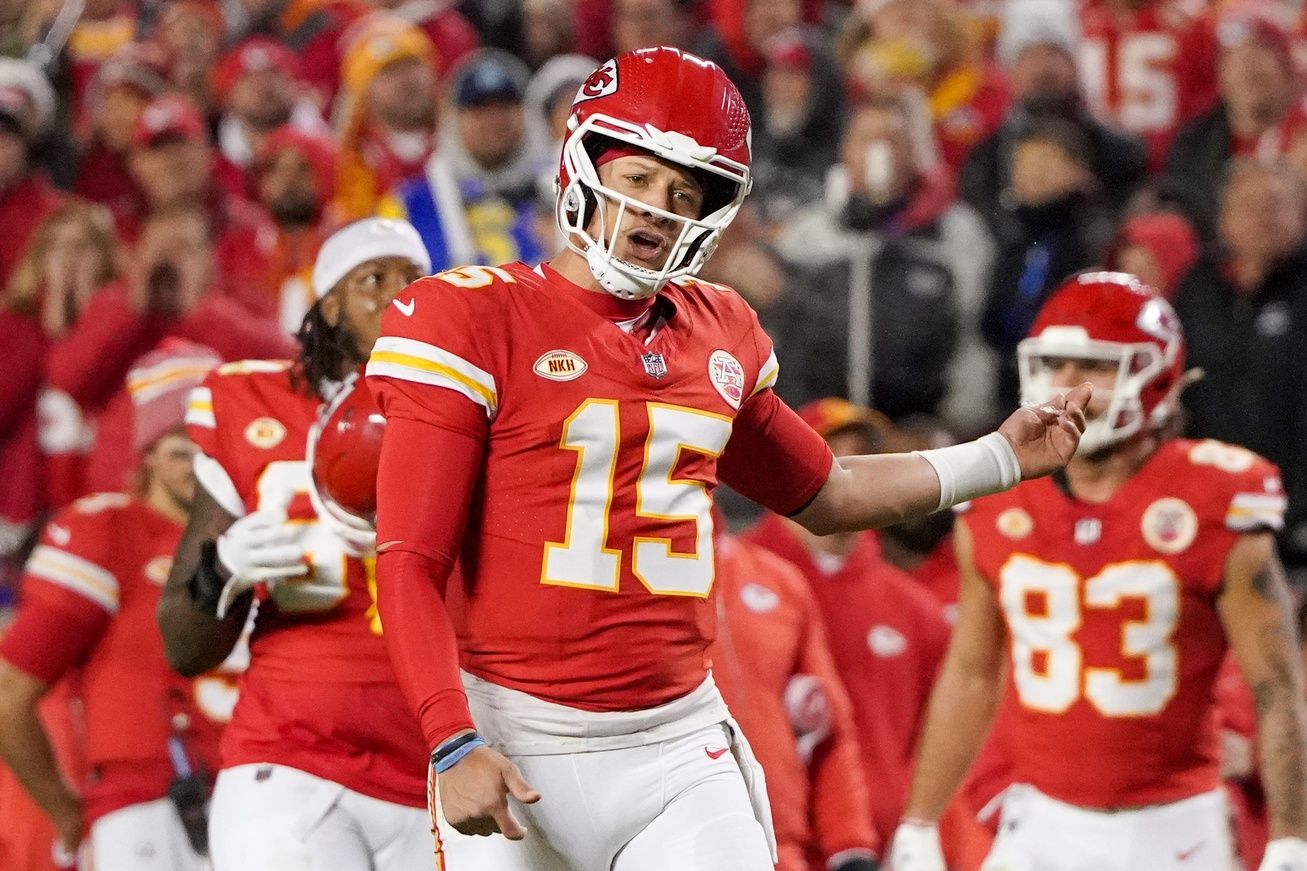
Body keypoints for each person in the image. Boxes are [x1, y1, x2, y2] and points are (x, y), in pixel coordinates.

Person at [360, 47, 1089, 871]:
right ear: (583, 164)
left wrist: (997, 455)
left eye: (682, 194)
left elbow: (829, 490)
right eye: (637, 178)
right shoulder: (470, 318)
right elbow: (410, 558)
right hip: (511, 731)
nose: (655, 209)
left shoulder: (717, 330)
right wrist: (451, 738)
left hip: (675, 743)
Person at [888, 272, 1307, 871]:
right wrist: (920, 819)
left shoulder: (1216, 498)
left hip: (1175, 824)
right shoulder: (998, 499)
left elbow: (1277, 686)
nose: (1067, 387)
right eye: (1055, 364)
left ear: (1157, 377)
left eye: (1095, 368)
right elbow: (973, 670)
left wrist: (1293, 835)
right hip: (1039, 820)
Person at [155, 218, 436, 870]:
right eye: (375, 279)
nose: (400, 297)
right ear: (328, 303)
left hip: (438, 758)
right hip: (293, 757)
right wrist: (219, 569)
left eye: (413, 281)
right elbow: (183, 644)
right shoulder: (246, 399)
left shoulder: (471, 404)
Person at [0, 340, 231, 869]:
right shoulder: (109, 533)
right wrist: (66, 812)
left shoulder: (266, 529)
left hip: (263, 790)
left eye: (210, 441)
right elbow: (10, 693)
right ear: (148, 451)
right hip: (149, 805)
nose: (199, 462)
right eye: (180, 444)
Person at [710, 524, 880, 871]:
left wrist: (851, 845)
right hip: (674, 843)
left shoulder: (778, 580)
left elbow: (829, 727)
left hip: (778, 849)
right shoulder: (621, 584)